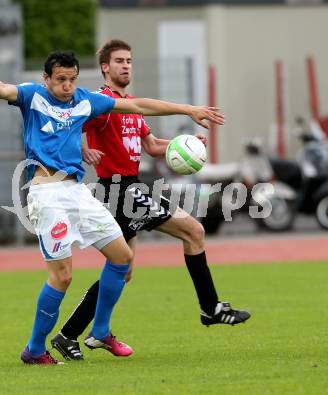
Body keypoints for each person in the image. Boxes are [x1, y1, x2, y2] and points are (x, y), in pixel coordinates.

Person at [0, 51, 225, 365]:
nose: (67, 86)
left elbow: (138, 105)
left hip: (77, 192)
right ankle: (35, 349)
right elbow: (2, 88)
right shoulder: (32, 96)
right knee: (63, 276)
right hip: (46, 194)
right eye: (60, 80)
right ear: (47, 79)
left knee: (122, 257)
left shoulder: (85, 100)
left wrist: (188, 109)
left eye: (72, 79)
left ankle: (101, 330)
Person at [50, 40, 250, 361]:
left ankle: (67, 334)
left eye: (129, 60)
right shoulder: (104, 101)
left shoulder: (128, 106)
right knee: (194, 231)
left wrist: (184, 144)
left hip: (127, 188)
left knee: (122, 269)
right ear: (105, 67)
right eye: (118, 61)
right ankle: (210, 308)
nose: (126, 65)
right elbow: (70, 126)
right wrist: (84, 149)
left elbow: (154, 146)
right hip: (119, 188)